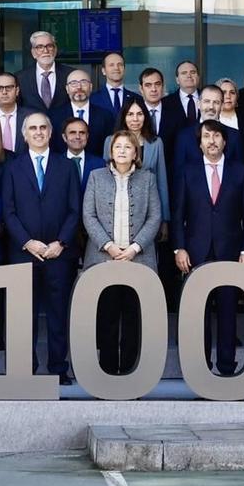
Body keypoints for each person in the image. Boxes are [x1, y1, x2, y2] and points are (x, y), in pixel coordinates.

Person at [0, 112, 82, 381]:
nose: (38, 132)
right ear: (24, 134)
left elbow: (74, 210)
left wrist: (61, 242)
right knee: (25, 315)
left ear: (50, 133)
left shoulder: (67, 166)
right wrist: (27, 241)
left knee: (58, 314)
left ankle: (59, 368)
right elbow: (8, 211)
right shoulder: (12, 167)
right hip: (23, 252)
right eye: (32, 128)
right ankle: (27, 369)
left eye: (43, 127)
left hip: (59, 253)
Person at [172, 118, 244, 375]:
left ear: (224, 141)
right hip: (196, 252)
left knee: (228, 311)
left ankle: (227, 367)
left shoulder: (240, 171)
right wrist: (179, 248)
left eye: (217, 136)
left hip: (231, 253)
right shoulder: (188, 171)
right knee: (199, 313)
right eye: (206, 137)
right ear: (199, 143)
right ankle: (202, 369)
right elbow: (178, 214)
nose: (212, 141)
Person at [83, 129, 161, 377]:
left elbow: (154, 216)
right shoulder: (96, 177)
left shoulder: (147, 178)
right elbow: (88, 215)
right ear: (110, 151)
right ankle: (106, 373)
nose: (122, 151)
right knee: (106, 316)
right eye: (118, 147)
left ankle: (129, 374)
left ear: (136, 152)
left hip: (138, 259)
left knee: (132, 317)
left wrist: (135, 247)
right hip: (104, 259)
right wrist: (109, 246)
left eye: (128, 147)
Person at [104, 98, 168, 217]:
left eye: (140, 114)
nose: (135, 119)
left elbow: (161, 180)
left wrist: (164, 217)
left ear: (145, 116)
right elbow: (106, 178)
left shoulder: (156, 143)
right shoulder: (110, 141)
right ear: (123, 117)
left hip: (148, 207)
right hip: (117, 206)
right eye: (130, 114)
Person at [58, 68, 115, 152]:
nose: (79, 87)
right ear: (67, 89)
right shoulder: (55, 116)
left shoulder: (105, 116)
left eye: (83, 82)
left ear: (91, 87)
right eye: (73, 83)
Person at [25, 30, 70, 115]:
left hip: (63, 126)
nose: (45, 51)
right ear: (33, 52)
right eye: (40, 47)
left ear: (55, 50)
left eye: (49, 46)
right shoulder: (21, 78)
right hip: (34, 126)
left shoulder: (70, 74)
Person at [60, 117, 105, 195]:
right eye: (73, 132)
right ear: (64, 137)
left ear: (87, 136)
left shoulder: (100, 164)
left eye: (82, 133)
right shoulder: (56, 164)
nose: (77, 136)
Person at [95, 51, 140, 121]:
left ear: (124, 69)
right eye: (111, 65)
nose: (116, 68)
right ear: (103, 71)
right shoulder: (93, 99)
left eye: (120, 64)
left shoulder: (136, 98)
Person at [0, 72, 24, 153]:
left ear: (17, 90)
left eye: (9, 87)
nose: (4, 92)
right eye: (0, 88)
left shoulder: (30, 116)